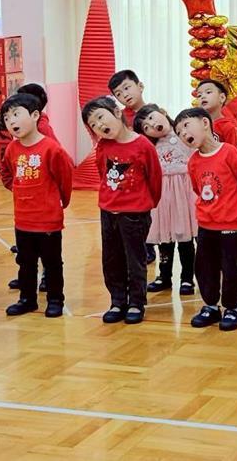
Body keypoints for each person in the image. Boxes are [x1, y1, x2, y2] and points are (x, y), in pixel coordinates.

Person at [82, 96, 162, 324]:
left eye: (100, 117)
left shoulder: (143, 145)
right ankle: (117, 301)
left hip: (135, 214)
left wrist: (145, 205)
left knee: (135, 260)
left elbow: (155, 179)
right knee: (111, 259)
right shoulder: (103, 146)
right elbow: (103, 173)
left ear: (117, 113)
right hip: (108, 212)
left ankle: (136, 302)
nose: (99, 125)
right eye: (93, 124)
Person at [176, 107, 237, 331]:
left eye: (186, 126)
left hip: (232, 224)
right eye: (179, 132)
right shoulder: (193, 162)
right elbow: (197, 188)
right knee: (205, 267)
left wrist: (236, 209)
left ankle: (232, 308)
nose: (183, 133)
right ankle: (210, 305)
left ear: (204, 123)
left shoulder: (229, 153)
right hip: (206, 225)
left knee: (231, 269)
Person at [0, 93, 73, 318]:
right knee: (25, 262)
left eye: (16, 114)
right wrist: (21, 191)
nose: (11, 121)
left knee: (52, 263)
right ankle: (27, 299)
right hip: (23, 219)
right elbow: (7, 174)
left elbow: (65, 178)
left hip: (48, 219)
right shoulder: (12, 149)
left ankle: (55, 300)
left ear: (34, 115)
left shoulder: (51, 149)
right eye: (6, 118)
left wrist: (58, 202)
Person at [133, 104, 197, 296]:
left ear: (163, 111)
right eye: (146, 127)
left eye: (152, 117)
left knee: (185, 238)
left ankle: (187, 278)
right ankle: (164, 276)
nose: (152, 124)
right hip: (163, 196)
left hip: (184, 194)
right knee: (164, 239)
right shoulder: (151, 147)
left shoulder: (184, 135)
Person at [107, 70, 156, 265]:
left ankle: (153, 247)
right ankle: (142, 249)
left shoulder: (155, 113)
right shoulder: (120, 119)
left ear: (140, 86)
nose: (125, 95)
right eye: (119, 94)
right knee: (136, 217)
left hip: (154, 171)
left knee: (153, 215)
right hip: (131, 176)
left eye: (127, 88)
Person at [196, 79, 237, 147]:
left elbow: (233, 151)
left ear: (222, 98)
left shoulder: (227, 127)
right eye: (199, 95)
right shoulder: (197, 126)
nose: (203, 97)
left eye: (208, 92)